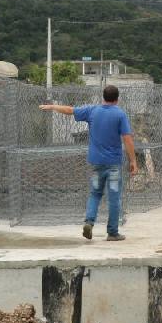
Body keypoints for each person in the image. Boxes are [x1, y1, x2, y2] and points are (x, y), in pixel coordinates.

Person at [40, 85, 139, 241]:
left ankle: (89, 222)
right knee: (114, 198)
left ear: (103, 97)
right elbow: (127, 139)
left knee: (95, 194)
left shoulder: (92, 110)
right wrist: (133, 161)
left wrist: (52, 106)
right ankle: (112, 233)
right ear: (117, 99)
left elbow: (69, 110)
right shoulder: (120, 115)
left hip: (96, 164)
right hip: (113, 165)